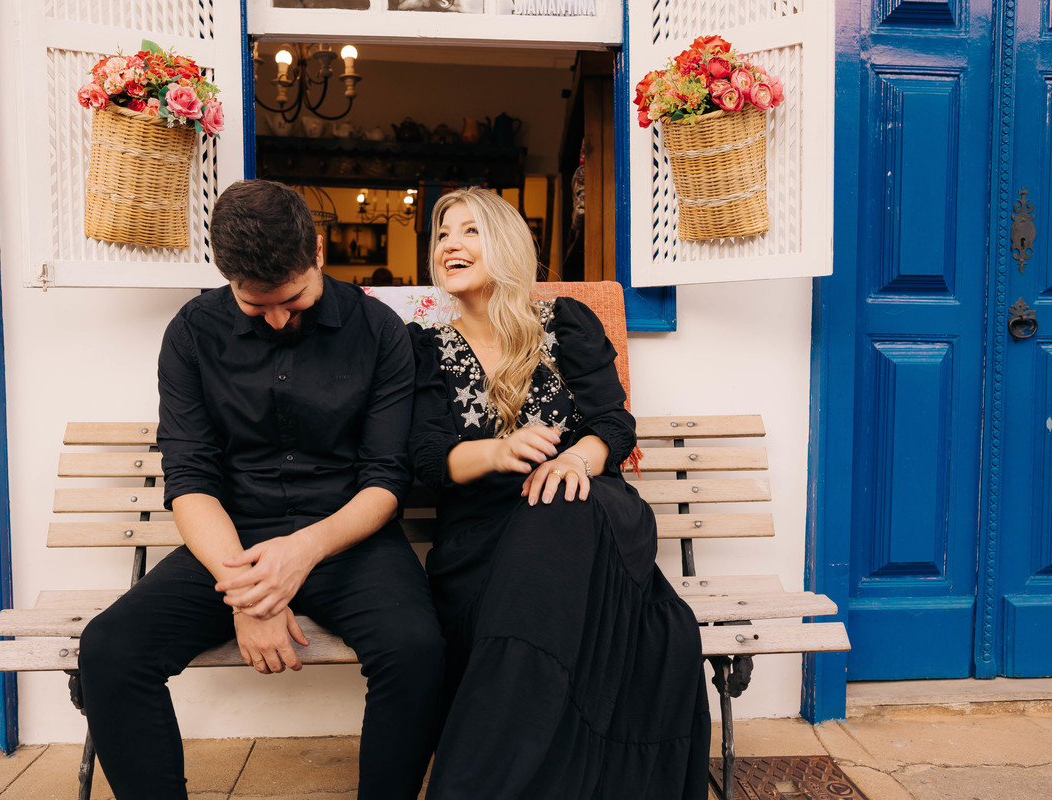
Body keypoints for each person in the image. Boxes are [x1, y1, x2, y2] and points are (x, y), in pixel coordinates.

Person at [79, 179, 445, 800]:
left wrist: (301, 552)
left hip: (346, 538)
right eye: (256, 306)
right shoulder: (192, 333)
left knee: (418, 652)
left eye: (294, 301)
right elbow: (190, 478)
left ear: (320, 253)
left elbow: (387, 479)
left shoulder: (381, 332)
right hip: (232, 542)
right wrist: (252, 596)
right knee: (110, 649)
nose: (278, 319)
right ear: (227, 280)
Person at [408, 187, 711, 799]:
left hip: (591, 517)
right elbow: (423, 458)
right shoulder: (424, 350)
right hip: (484, 536)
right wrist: (497, 451)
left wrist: (577, 457)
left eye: (470, 231)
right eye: (442, 234)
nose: (450, 245)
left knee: (564, 501)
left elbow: (614, 423)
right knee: (541, 532)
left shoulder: (566, 322)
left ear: (506, 246)